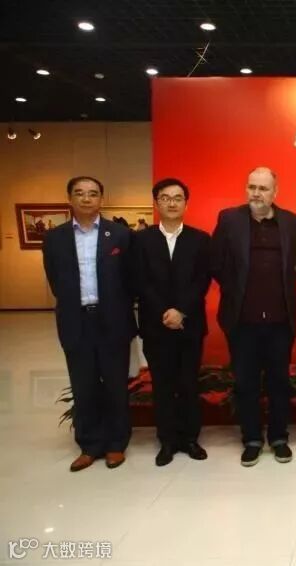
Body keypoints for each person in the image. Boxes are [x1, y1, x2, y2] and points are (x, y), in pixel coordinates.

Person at [42, 176, 137, 471]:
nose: (86, 198)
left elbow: (131, 279)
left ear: (101, 199)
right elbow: (55, 280)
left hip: (113, 320)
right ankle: (90, 444)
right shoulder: (54, 238)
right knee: (83, 386)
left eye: (93, 193)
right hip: (76, 320)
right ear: (69, 198)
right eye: (80, 193)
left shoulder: (120, 235)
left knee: (115, 385)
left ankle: (116, 444)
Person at [211, 166, 296, 467]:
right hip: (242, 320)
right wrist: (237, 289)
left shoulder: (292, 223)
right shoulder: (229, 219)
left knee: (279, 382)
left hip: (280, 320)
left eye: (263, 188)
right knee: (245, 383)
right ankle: (251, 438)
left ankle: (278, 438)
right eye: (252, 187)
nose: (256, 193)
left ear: (275, 192)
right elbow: (216, 262)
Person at [136, 178, 211, 466]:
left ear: (186, 204)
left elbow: (202, 280)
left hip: (189, 324)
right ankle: (166, 440)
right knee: (163, 385)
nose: (171, 203)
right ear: (156, 203)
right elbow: (139, 281)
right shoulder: (140, 240)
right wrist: (165, 312)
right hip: (155, 326)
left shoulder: (200, 239)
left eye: (177, 198)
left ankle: (190, 438)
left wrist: (181, 311)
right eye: (165, 198)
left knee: (189, 383)